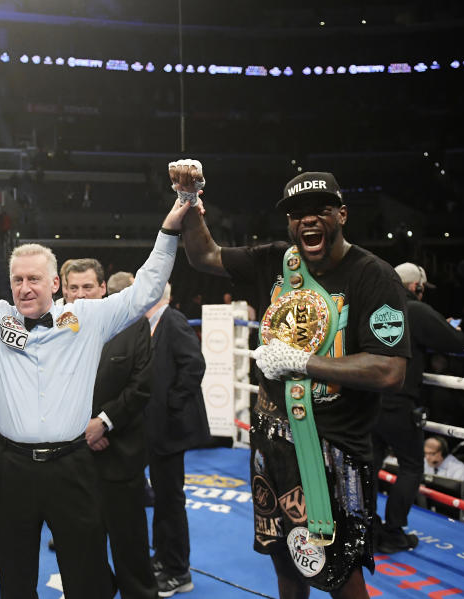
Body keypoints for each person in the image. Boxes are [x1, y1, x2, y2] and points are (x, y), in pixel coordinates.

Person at [0, 173, 191, 598]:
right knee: (16, 579)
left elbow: (147, 288)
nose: (25, 288)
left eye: (35, 279)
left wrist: (172, 223)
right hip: (11, 468)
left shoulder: (88, 319)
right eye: (18, 280)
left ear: (55, 284)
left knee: (89, 580)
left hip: (73, 466)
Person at [175, 163, 410, 599]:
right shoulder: (275, 261)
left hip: (333, 447)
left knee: (339, 571)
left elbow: (390, 369)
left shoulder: (373, 276)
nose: (307, 219)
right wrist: (189, 202)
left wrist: (303, 360)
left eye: (319, 209)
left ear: (341, 214)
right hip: (271, 442)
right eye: (296, 212)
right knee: (285, 560)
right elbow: (202, 256)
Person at [62, 263, 156, 599]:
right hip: (74, 459)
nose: (80, 295)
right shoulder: (55, 329)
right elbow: (49, 387)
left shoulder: (132, 325)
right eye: (73, 288)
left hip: (121, 457)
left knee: (130, 546)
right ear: (63, 290)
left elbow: (142, 386)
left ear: (103, 288)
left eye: (87, 287)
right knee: (82, 551)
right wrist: (80, 430)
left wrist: (103, 423)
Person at [372, 263, 464, 553]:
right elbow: (457, 343)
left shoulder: (373, 307)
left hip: (368, 400)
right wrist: (449, 327)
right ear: (417, 287)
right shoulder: (414, 310)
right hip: (399, 402)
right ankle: (393, 532)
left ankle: (366, 528)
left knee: (369, 464)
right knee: (412, 467)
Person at [144, 283, 210, 596]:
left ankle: (178, 571)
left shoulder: (173, 320)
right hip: (158, 430)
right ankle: (162, 557)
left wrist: (171, 402)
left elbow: (194, 364)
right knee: (163, 498)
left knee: (170, 500)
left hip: (170, 429)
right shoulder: (155, 324)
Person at [423, 437, 464, 501]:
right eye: (426, 453)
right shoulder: (425, 461)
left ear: (443, 452)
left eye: (432, 454)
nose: (427, 457)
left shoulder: (461, 471)